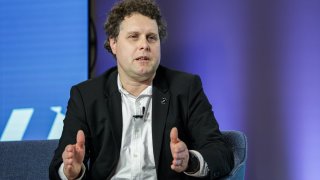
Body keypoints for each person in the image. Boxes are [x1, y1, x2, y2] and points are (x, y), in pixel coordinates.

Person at [49, 0, 234, 179]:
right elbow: (59, 166)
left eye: (151, 37)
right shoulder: (86, 96)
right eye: (133, 36)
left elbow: (220, 153)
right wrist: (71, 172)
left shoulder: (185, 88)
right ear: (113, 43)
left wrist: (190, 161)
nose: (144, 45)